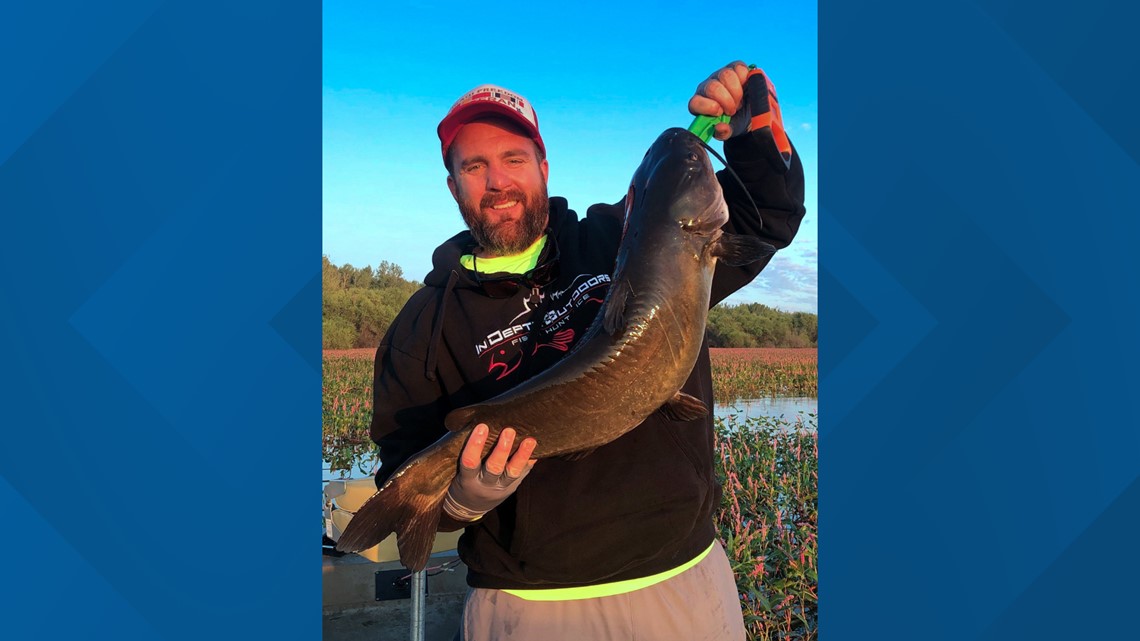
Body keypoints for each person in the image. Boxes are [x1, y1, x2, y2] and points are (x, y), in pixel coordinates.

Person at [369, 61, 806, 641]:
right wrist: (468, 500)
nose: (497, 182)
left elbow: (768, 216)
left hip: (682, 583)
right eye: (474, 166)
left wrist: (752, 134)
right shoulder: (419, 330)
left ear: (543, 167)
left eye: (514, 159)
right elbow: (409, 478)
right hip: (526, 606)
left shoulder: (627, 238)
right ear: (453, 185)